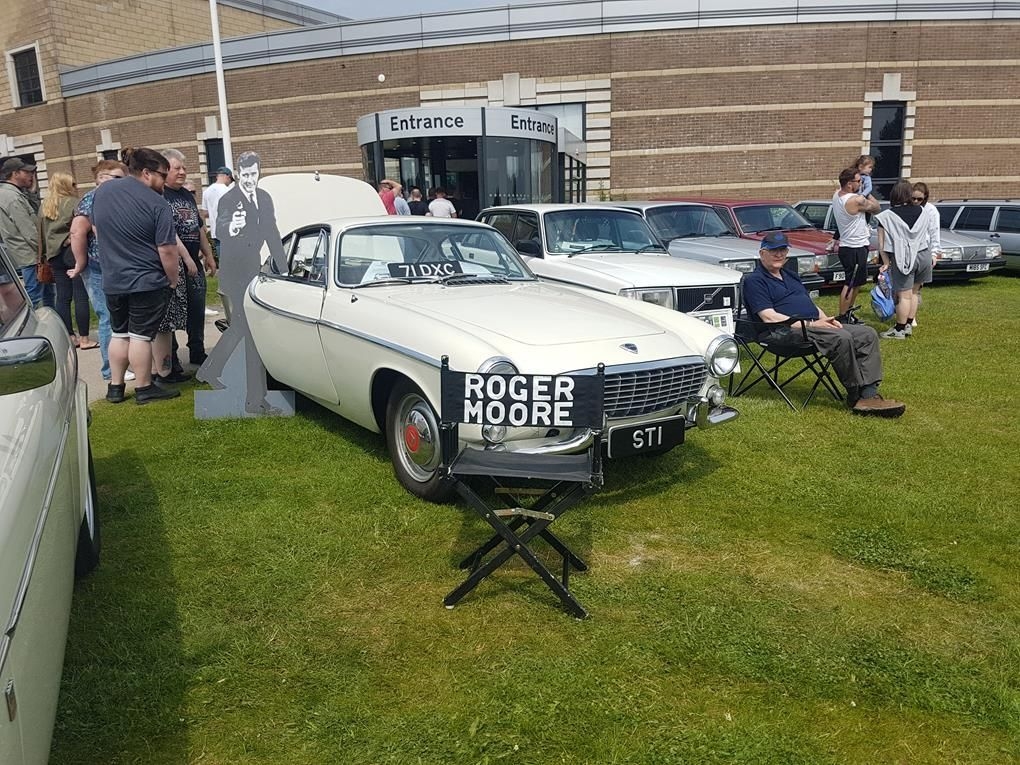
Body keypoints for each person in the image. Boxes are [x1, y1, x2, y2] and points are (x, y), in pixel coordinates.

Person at [742, 231, 906, 417]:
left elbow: (809, 304)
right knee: (841, 337)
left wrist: (828, 319)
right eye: (774, 251)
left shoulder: (790, 275)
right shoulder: (755, 280)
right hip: (782, 332)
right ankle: (856, 395)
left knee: (867, 333)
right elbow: (768, 317)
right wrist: (812, 325)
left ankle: (869, 394)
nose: (779, 254)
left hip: (812, 326)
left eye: (783, 250)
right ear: (762, 253)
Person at [90, 147, 181, 404]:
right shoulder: (157, 203)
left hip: (113, 278)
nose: (164, 181)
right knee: (141, 336)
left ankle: (115, 387)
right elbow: (167, 249)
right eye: (163, 175)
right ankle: (144, 387)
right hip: (145, 279)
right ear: (147, 173)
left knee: (119, 333)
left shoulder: (103, 192)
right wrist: (172, 279)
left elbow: (96, 227)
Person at [201, 150, 286, 413]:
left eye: (254, 174)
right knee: (251, 331)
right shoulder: (229, 199)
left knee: (240, 326)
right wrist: (233, 227)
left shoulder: (264, 197)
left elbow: (272, 232)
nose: (250, 179)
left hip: (252, 269)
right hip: (235, 272)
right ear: (238, 175)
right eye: (245, 175)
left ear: (259, 173)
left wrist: (284, 268)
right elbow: (221, 229)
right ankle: (255, 400)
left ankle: (210, 370)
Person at [69, 159, 134, 381]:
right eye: (116, 178)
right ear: (100, 178)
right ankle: (111, 369)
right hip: (98, 266)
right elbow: (77, 232)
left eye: (123, 178)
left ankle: (125, 362)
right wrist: (80, 263)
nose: (120, 182)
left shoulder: (118, 199)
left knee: (121, 316)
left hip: (118, 264)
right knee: (107, 316)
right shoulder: (92, 199)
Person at [162, 148, 217, 370]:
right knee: (172, 312)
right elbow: (168, 233)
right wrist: (185, 258)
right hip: (173, 265)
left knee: (197, 307)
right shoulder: (160, 195)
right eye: (177, 168)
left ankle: (197, 350)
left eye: (184, 168)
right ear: (165, 169)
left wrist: (209, 254)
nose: (182, 172)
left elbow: (199, 228)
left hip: (194, 261)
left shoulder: (186, 195)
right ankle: (172, 358)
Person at [40, 172, 95, 348]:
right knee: (80, 296)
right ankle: (84, 339)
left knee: (62, 297)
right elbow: (81, 228)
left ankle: (70, 337)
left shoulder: (45, 206)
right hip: (72, 252)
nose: (75, 187)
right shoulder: (74, 203)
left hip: (54, 255)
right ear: (66, 185)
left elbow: (40, 235)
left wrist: (43, 256)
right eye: (73, 184)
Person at [876, 181, 932, 340]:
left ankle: (899, 329)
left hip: (904, 257)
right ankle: (908, 324)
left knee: (904, 295)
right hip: (923, 254)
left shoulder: (886, 216)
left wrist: (886, 262)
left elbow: (881, 244)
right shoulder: (922, 211)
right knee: (914, 292)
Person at [0, 157, 52, 307]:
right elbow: (28, 231)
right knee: (35, 297)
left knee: (46, 294)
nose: (31, 175)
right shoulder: (12, 197)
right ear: (15, 173)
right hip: (31, 256)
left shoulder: (13, 193)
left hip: (31, 255)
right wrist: (44, 252)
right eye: (27, 172)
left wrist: (32, 192)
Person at [832, 166, 880, 322]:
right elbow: (877, 208)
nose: (861, 183)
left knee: (857, 282)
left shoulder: (837, 195)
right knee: (851, 283)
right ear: (849, 184)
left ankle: (848, 313)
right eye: (859, 181)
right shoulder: (855, 200)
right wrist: (868, 191)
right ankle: (842, 316)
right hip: (854, 247)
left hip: (853, 246)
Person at [202, 166, 233, 246]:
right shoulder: (229, 191)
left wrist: (213, 212)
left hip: (215, 232)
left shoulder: (206, 192)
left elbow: (205, 213)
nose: (230, 183)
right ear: (227, 176)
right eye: (230, 180)